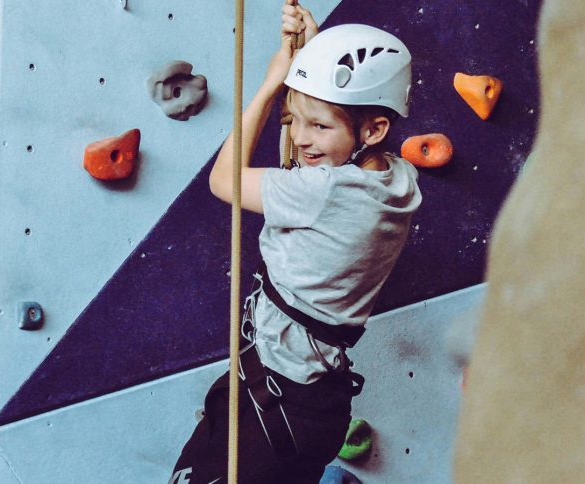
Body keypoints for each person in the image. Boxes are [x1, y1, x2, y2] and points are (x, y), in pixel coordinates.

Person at [170, 1, 421, 482]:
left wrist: (270, 85)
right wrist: (314, 56)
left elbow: (223, 180)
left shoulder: (326, 191)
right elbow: (348, 122)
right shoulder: (398, 181)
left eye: (319, 126)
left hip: (277, 391)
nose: (302, 139)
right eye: (294, 119)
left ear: (374, 128)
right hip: (304, 397)